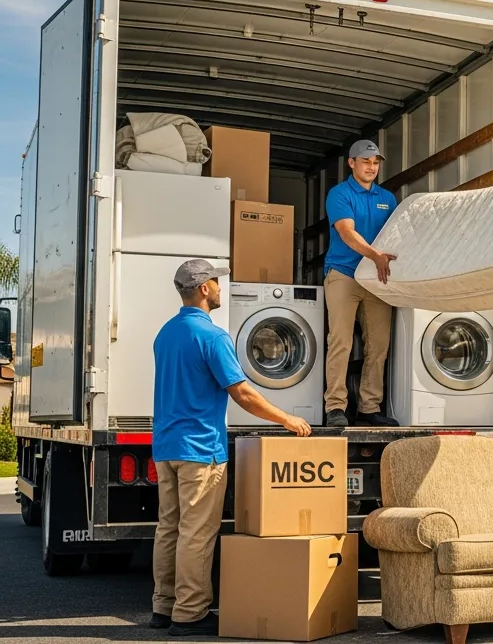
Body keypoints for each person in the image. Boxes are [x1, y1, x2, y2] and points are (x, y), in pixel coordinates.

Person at [151, 259, 312, 636]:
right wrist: (286, 419)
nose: (221, 289)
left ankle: (163, 606)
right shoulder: (213, 337)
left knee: (169, 528)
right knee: (196, 532)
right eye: (216, 283)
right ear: (204, 288)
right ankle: (189, 614)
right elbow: (242, 393)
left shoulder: (166, 333)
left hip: (166, 446)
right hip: (200, 449)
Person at [323, 139, 400, 427]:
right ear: (351, 163)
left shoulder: (387, 198)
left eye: (376, 162)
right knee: (340, 341)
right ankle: (335, 407)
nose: (371, 167)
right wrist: (376, 255)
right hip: (343, 273)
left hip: (375, 278)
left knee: (379, 345)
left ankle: (369, 407)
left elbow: (396, 235)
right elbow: (346, 232)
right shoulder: (339, 194)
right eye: (365, 161)